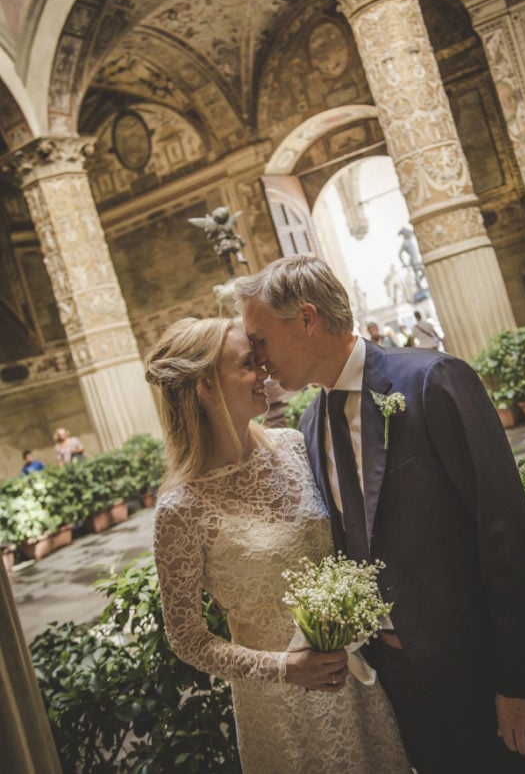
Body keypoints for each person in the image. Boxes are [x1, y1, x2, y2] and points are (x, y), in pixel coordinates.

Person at [235, 254, 525, 774]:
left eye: (260, 340)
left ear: (306, 319)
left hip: (484, 670)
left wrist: (521, 681)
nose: (259, 361)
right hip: (400, 685)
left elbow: (504, 532)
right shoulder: (311, 424)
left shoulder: (432, 381)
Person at [146, 317, 410, 774]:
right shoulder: (179, 509)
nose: (265, 371)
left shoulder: (293, 446)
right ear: (206, 385)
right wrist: (284, 668)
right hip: (281, 705)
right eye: (248, 364)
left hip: (356, 679)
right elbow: (186, 637)